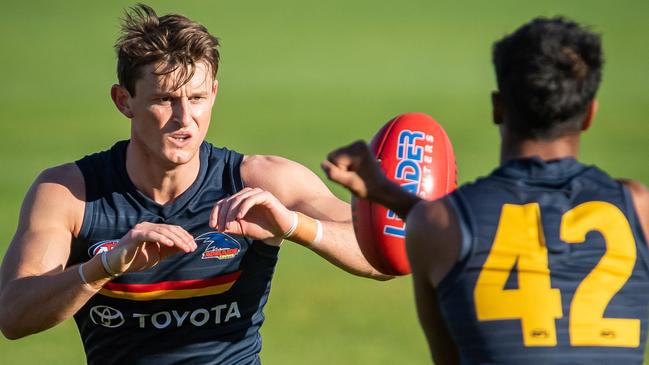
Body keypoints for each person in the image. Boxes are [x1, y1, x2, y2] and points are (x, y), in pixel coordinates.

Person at [0, 4, 389, 365]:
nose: (185, 118)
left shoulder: (260, 181)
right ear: (124, 101)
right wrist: (106, 265)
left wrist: (293, 226)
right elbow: (13, 316)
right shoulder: (70, 193)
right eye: (166, 99)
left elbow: (384, 256)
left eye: (198, 98)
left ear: (214, 93)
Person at [323, 17, 649, 364]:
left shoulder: (436, 226)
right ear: (589, 115)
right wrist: (389, 195)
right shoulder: (638, 208)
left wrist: (387, 195)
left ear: (497, 107)